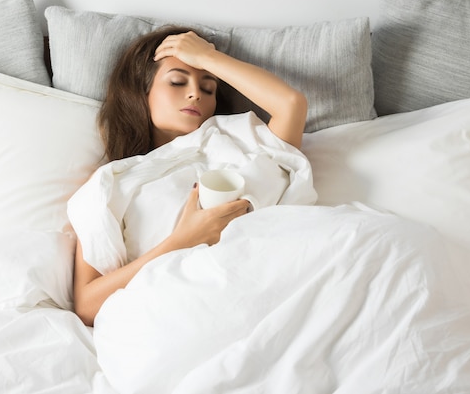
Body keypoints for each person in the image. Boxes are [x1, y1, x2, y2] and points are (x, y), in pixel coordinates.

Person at [73, 26, 308, 326]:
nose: (196, 93)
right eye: (176, 81)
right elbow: (87, 305)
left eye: (208, 88)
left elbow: (291, 104)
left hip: (274, 287)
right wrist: (182, 241)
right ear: (140, 92)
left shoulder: (240, 140)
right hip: (185, 313)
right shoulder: (113, 181)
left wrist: (207, 57)